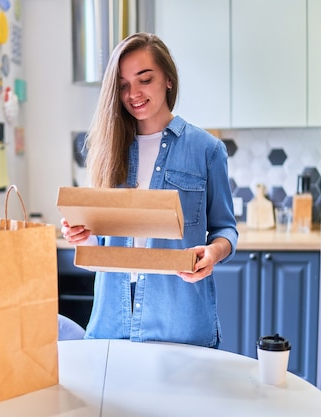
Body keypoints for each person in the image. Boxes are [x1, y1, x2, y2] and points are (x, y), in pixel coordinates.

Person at [60, 32, 238, 348]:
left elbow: (225, 229)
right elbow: (99, 243)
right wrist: (81, 235)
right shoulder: (108, 149)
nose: (134, 93)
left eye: (145, 79)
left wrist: (213, 252)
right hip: (112, 318)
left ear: (168, 79)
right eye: (124, 85)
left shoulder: (206, 149)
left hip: (179, 318)